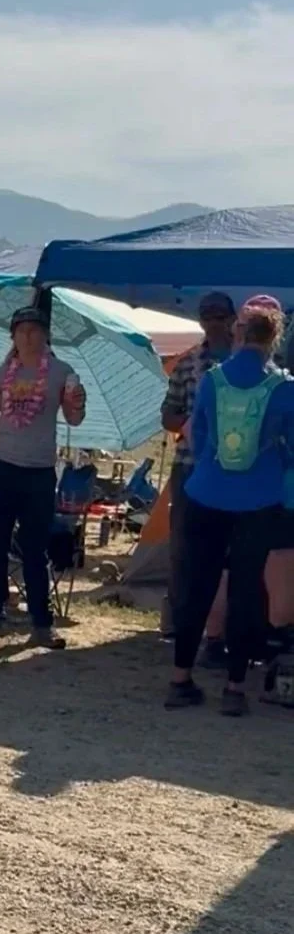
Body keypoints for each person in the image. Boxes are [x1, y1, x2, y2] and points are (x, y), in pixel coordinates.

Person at [166, 295, 294, 716]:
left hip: (206, 491)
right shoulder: (283, 389)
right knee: (245, 590)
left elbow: (196, 437)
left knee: (197, 584)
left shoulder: (213, 380)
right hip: (259, 499)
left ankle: (181, 679)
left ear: (239, 333)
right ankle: (235, 689)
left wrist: (213, 467)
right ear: (275, 337)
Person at [0, 305, 86, 649]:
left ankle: (42, 623)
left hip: (40, 471)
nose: (28, 336)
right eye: (22, 330)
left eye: (35, 330)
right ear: (12, 336)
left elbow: (74, 420)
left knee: (35, 548)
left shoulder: (62, 372)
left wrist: (76, 404)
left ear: (45, 335)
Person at [160, 291, 236, 643]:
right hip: (191, 466)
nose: (214, 322)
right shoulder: (188, 363)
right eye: (208, 316)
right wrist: (192, 424)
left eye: (221, 316)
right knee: (183, 546)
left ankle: (225, 625)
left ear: (232, 319)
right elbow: (168, 413)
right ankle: (178, 621)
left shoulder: (250, 362)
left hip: (237, 471)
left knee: (232, 551)